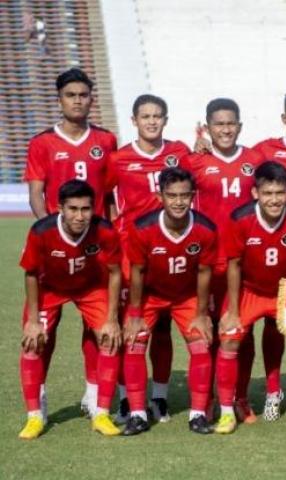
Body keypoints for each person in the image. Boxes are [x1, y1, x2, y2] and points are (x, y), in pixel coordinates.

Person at [24, 67, 117, 418]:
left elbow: (110, 194)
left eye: (83, 95)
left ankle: (94, 394)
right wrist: (50, 232)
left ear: (91, 98)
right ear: (60, 99)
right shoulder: (42, 143)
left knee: (98, 325)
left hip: (96, 249)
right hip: (55, 251)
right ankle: (40, 395)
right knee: (44, 326)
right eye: (71, 95)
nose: (78, 101)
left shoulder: (106, 141)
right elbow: (36, 192)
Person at [215, 161, 286, 434]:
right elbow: (234, 266)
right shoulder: (239, 219)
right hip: (249, 291)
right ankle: (228, 410)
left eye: (280, 193)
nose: (274, 200)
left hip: (284, 290)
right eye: (268, 193)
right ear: (255, 194)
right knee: (229, 340)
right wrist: (234, 311)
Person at [105, 94, 191, 423]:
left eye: (158, 116)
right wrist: (119, 230)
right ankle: (128, 398)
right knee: (133, 328)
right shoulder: (118, 159)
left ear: (165, 120)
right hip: (132, 254)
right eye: (146, 116)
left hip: (169, 253)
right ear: (134, 121)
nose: (152, 121)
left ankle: (159, 396)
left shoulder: (179, 152)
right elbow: (106, 198)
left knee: (165, 328)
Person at [18, 180, 122, 439]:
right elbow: (30, 274)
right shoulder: (41, 232)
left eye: (85, 209)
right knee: (33, 342)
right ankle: (35, 416)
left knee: (109, 339)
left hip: (91, 287)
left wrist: (111, 319)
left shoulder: (105, 231)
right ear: (59, 208)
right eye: (73, 209)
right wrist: (33, 320)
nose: (79, 215)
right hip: (49, 288)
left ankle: (101, 413)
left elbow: (115, 271)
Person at [184, 98, 265, 422]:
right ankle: (206, 401)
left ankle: (238, 398)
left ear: (240, 126)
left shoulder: (255, 160)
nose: (226, 129)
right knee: (208, 333)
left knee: (241, 334)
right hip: (206, 262)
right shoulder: (194, 161)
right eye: (219, 124)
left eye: (231, 123)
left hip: (243, 263)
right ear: (207, 127)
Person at [121, 167, 217, 435]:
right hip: (151, 295)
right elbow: (137, 272)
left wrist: (200, 314)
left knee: (200, 345)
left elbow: (204, 272)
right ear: (159, 195)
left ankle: (198, 414)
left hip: (186, 296)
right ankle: (138, 413)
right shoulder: (143, 228)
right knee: (134, 343)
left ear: (193, 196)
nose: (178, 201)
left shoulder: (205, 229)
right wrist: (136, 313)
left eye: (184, 195)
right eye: (172, 195)